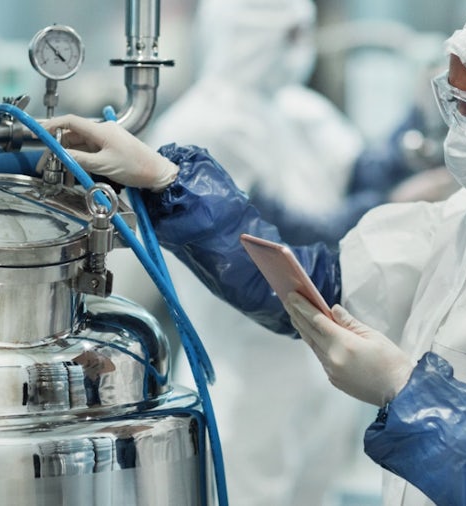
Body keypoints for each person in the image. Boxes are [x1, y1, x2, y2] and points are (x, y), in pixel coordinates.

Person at [40, 0, 466, 504]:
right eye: (450, 102)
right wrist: (168, 182)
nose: (460, 131)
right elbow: (320, 284)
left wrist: (409, 397)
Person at [138, 1, 449, 503]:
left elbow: (358, 173)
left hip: (317, 360)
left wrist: (417, 115)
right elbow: (273, 239)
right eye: (290, 34)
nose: (301, 48)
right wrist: (393, 204)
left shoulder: (297, 108)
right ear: (247, 36)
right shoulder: (204, 124)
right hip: (246, 367)